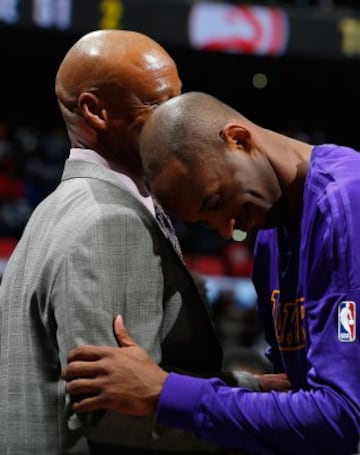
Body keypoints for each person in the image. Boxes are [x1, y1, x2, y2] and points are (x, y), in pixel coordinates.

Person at [0, 33, 263, 455]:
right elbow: (120, 416)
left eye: (180, 99)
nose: (179, 119)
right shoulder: (111, 222)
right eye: (159, 104)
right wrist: (267, 415)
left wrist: (250, 384)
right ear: (95, 111)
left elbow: (146, 384)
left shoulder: (57, 210)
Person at [62, 91, 360, 455]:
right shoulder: (268, 234)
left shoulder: (348, 201)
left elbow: (343, 418)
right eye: (205, 221)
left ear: (239, 139)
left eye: (215, 201)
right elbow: (293, 395)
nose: (225, 228)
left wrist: (164, 391)